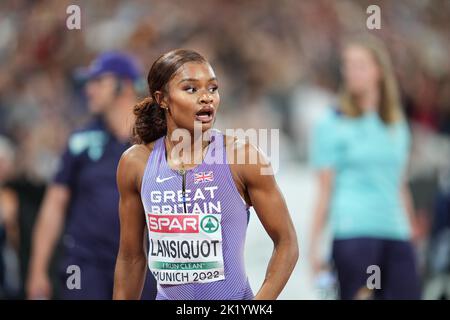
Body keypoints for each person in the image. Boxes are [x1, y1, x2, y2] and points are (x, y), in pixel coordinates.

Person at [113, 49, 298, 300]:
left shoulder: (242, 157)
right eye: (191, 89)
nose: (206, 98)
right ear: (162, 99)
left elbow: (287, 243)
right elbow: (130, 257)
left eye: (212, 88)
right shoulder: (135, 163)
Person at [26, 52, 156, 300]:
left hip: (144, 261)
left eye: (98, 82)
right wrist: (37, 269)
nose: (89, 90)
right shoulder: (80, 141)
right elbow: (54, 205)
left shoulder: (155, 142)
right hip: (86, 263)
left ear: (124, 84)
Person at [309, 36, 421, 299]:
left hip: (396, 232)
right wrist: (313, 246)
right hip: (354, 232)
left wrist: (411, 231)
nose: (352, 72)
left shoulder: (396, 125)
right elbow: (325, 190)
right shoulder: (331, 122)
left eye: (360, 65)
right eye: (347, 65)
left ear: (378, 71)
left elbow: (399, 184)